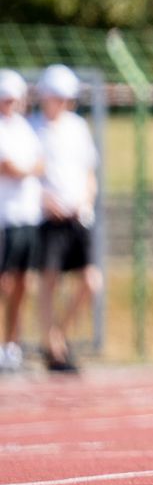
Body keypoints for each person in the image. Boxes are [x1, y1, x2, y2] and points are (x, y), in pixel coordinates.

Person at [33, 65, 100, 373]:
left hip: (78, 216)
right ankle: (53, 349)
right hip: (48, 218)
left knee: (90, 281)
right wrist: (46, 201)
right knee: (48, 280)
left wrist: (86, 199)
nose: (62, 103)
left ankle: (58, 333)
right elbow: (28, 178)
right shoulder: (33, 128)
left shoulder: (77, 127)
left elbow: (89, 171)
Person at [0, 69, 44, 373]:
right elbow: (9, 167)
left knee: (23, 284)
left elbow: (39, 164)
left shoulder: (25, 129)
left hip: (28, 216)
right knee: (4, 283)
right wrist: (26, 170)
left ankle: (12, 345)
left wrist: (26, 169)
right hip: (5, 217)